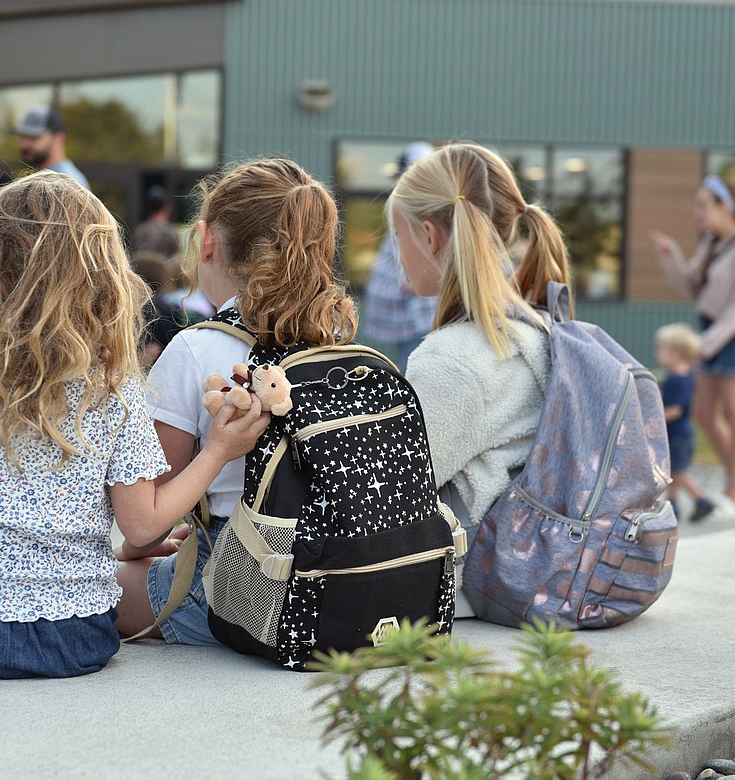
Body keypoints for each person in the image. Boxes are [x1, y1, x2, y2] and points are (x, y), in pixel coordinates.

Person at [0, 172, 268, 681]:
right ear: (104, 280)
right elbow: (142, 525)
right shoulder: (113, 392)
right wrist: (217, 452)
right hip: (74, 634)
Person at [113, 157, 358, 643]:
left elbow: (145, 526)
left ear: (205, 240)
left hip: (243, 589)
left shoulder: (194, 349)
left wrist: (138, 550)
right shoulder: (336, 344)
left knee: (98, 589)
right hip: (334, 579)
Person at [387, 142, 569, 618]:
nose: (397, 254)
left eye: (396, 236)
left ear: (428, 236)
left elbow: (393, 491)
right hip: (529, 564)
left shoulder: (454, 358)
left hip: (465, 584)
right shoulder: (537, 329)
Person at [651, 176, 735, 518]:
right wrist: (670, 256)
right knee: (704, 414)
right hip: (710, 334)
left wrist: (703, 344)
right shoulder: (711, 243)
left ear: (724, 206)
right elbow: (691, 287)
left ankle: (734, 492)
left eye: (703, 205)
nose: (696, 212)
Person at [362, 141, 439, 371]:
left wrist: (413, 282)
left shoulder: (422, 213)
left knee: (416, 375)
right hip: (413, 317)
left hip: (421, 316)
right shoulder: (407, 209)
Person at [655, 323, 716, 522]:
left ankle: (702, 500)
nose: (657, 353)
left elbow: (674, 410)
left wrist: (653, 419)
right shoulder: (686, 376)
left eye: (660, 349)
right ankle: (672, 506)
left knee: (676, 472)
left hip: (677, 435)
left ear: (675, 352)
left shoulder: (677, 380)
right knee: (672, 471)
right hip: (681, 434)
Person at [14, 106, 89, 188]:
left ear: (59, 138)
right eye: (23, 137)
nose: (24, 144)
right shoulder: (45, 178)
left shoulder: (67, 184)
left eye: (34, 137)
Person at [132, 185, 181, 259]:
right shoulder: (172, 231)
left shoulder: (140, 230)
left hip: (142, 270)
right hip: (166, 270)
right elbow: (175, 257)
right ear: (167, 207)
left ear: (148, 207)